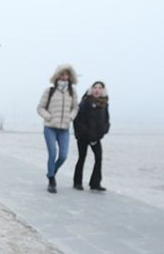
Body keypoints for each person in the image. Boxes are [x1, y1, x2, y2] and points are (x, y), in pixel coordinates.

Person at [37, 63, 79, 193]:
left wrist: (70, 117)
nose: (64, 76)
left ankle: (51, 172)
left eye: (67, 74)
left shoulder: (72, 92)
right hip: (50, 127)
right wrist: (48, 116)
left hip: (64, 128)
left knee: (63, 155)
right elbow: (40, 108)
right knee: (52, 153)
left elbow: (75, 108)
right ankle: (52, 181)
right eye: (62, 74)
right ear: (57, 75)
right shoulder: (49, 91)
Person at [72, 81, 110, 191]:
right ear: (91, 89)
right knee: (82, 157)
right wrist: (82, 133)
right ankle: (77, 182)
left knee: (99, 158)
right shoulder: (85, 102)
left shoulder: (104, 103)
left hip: (96, 137)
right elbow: (78, 120)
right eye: (95, 87)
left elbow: (106, 119)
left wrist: (103, 131)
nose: (97, 90)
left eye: (99, 88)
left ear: (103, 90)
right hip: (83, 136)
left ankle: (95, 183)